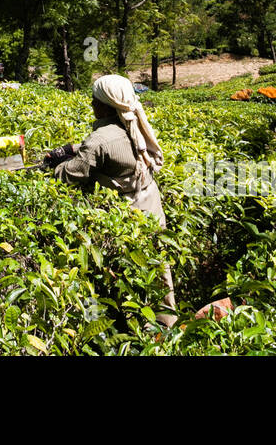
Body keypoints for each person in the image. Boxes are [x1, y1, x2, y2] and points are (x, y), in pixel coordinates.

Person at [45, 74, 177, 328]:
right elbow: (114, 149)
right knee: (157, 268)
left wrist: (52, 166)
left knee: (118, 270)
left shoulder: (99, 140)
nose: (92, 104)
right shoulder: (133, 123)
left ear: (106, 104)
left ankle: (121, 328)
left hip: (126, 214)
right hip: (151, 203)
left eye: (95, 99)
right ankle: (164, 324)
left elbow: (71, 174)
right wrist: (76, 148)